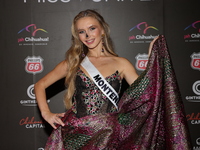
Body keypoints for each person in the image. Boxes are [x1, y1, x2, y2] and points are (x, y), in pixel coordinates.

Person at [35, 9, 191, 150]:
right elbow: (40, 85)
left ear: (102, 30)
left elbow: (145, 94)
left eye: (92, 29)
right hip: (76, 134)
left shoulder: (121, 63)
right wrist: (46, 113)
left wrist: (153, 60)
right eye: (81, 31)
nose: (88, 35)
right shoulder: (73, 62)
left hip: (108, 137)